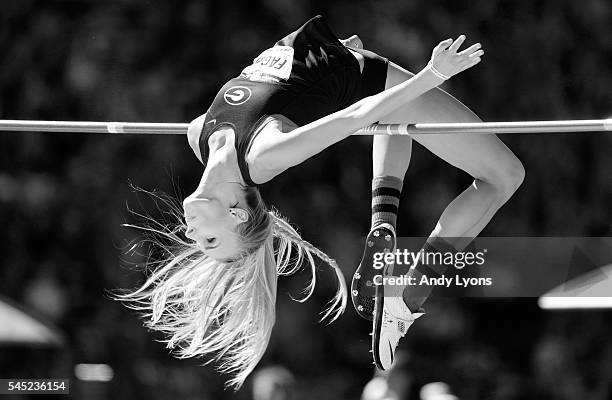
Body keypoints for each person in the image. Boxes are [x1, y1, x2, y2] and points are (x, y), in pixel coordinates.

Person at [118, 15, 522, 388]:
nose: (190, 231)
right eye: (209, 240)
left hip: (347, 64)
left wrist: (327, 55)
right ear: (236, 214)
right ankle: (412, 290)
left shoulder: (197, 137)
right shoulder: (262, 157)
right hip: (368, 85)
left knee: (397, 127)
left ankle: (385, 225)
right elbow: (354, 118)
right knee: (504, 176)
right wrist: (432, 74)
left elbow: (276, 81)